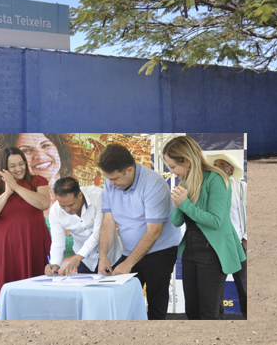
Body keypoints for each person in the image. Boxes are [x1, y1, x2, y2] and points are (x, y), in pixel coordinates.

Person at [164, 137, 246, 320]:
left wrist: (184, 203)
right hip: (190, 251)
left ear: (186, 161)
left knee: (209, 313)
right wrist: (178, 202)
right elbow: (176, 222)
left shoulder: (216, 178)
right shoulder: (185, 182)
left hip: (213, 251)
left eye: (172, 166)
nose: (171, 172)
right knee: (192, 311)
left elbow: (216, 221)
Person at [97, 143, 181, 320]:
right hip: (129, 250)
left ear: (129, 170)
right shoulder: (110, 181)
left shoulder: (154, 184)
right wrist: (103, 256)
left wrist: (128, 263)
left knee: (156, 304)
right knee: (121, 303)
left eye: (115, 179)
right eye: (108, 179)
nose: (111, 183)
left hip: (160, 251)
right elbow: (108, 221)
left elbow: (154, 231)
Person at [0, 147, 51, 299]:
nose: (19, 169)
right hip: (6, 249)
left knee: (35, 293)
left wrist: (17, 187)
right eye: (12, 166)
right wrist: (6, 193)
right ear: (4, 169)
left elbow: (44, 203)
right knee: (9, 295)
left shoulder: (38, 181)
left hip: (32, 246)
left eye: (21, 163)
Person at [44, 177, 122, 276]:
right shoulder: (55, 211)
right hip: (86, 262)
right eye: (63, 206)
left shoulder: (97, 196)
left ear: (80, 195)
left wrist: (78, 257)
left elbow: (99, 233)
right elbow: (57, 243)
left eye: (71, 205)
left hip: (111, 257)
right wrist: (55, 265)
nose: (67, 210)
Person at [205, 151, 247, 319]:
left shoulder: (242, 187)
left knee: (245, 288)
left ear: (230, 170)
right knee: (216, 292)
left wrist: (246, 238)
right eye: (215, 165)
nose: (217, 168)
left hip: (238, 244)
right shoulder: (206, 186)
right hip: (216, 246)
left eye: (221, 165)